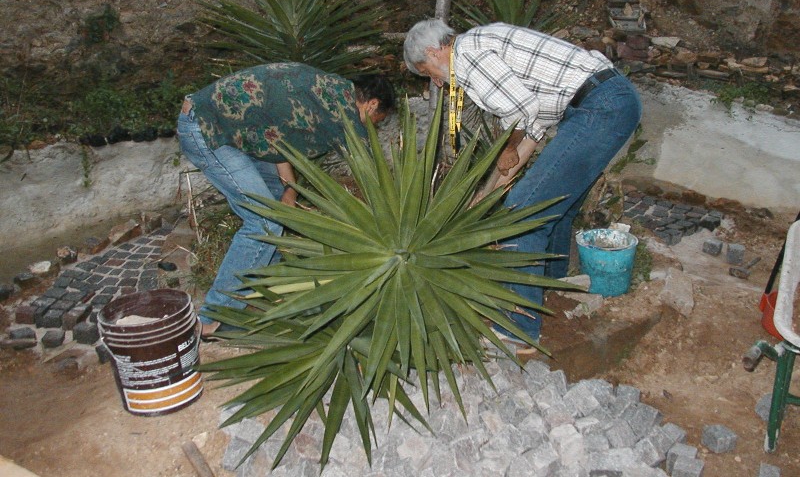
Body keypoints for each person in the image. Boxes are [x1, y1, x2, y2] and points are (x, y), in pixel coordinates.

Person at [404, 20, 641, 345]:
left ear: (435, 51)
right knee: (553, 207)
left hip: (599, 107)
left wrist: (505, 147)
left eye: (427, 71)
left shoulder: (467, 54)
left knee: (524, 216)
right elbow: (531, 128)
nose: (436, 81)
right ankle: (550, 287)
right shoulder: (482, 44)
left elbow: (520, 113)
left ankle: (517, 330)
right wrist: (485, 195)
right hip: (608, 102)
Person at [177, 62, 395, 338]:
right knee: (265, 221)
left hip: (233, 131)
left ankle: (259, 284)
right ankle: (211, 319)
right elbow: (368, 170)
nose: (376, 127)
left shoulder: (331, 90)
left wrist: (289, 190)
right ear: (373, 104)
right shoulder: (341, 111)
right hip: (208, 131)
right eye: (381, 120)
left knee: (275, 204)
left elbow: (277, 132)